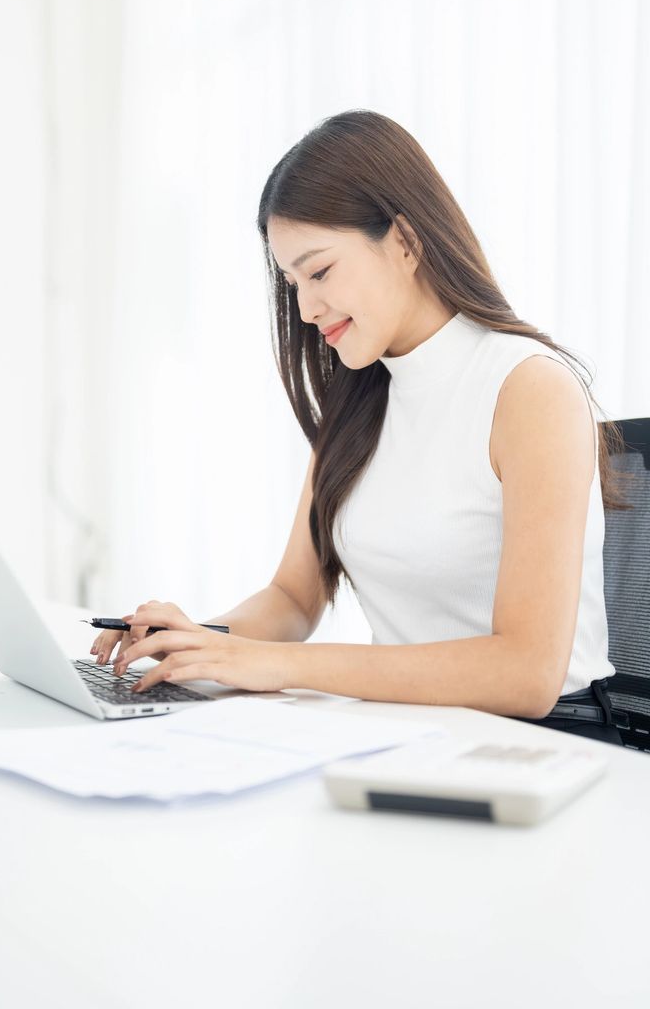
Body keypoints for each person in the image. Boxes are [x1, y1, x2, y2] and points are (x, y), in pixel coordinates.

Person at [92, 110, 630, 747]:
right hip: (413, 738)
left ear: (404, 240)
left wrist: (270, 667)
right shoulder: (360, 403)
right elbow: (294, 600)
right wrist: (197, 644)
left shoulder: (529, 389)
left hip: (543, 744)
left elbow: (526, 672)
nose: (306, 308)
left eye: (319, 272)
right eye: (292, 282)